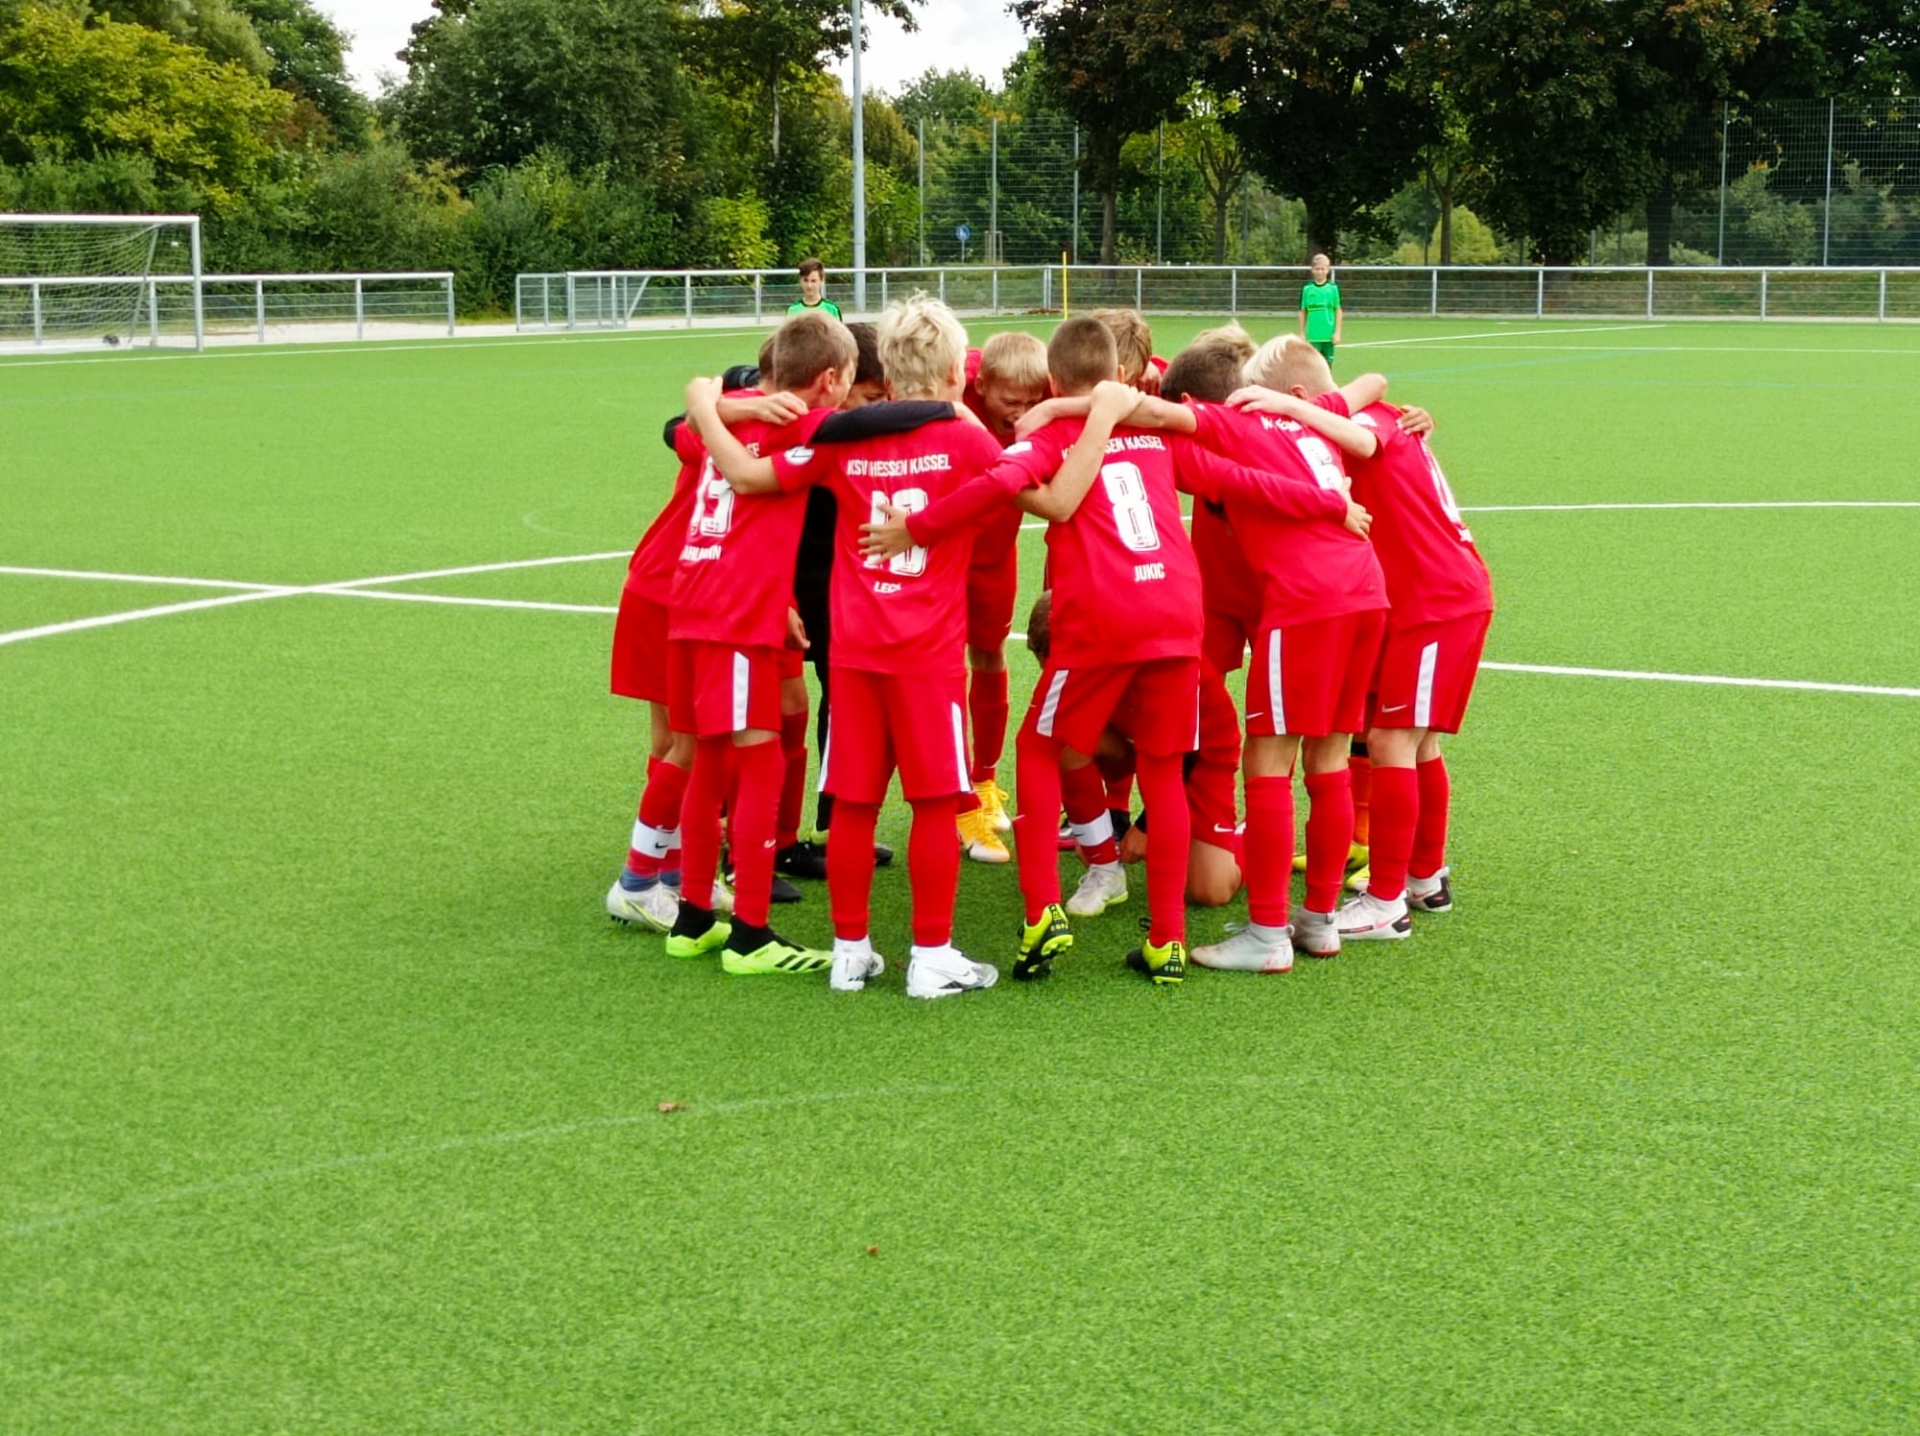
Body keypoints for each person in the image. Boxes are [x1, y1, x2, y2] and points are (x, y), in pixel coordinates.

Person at [690, 294, 1008, 999]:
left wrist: (704, 408)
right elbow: (1022, 484)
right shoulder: (966, 440)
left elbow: (749, 476)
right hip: (927, 655)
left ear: (885, 373)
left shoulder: (842, 437)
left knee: (855, 805)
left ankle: (850, 951)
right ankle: (931, 955)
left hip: (855, 650)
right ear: (955, 371)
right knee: (935, 805)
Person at [1234, 338, 1493, 941]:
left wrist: (1292, 410)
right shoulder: (1374, 413)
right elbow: (1373, 389)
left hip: (1436, 599)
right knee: (1418, 742)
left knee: (1391, 740)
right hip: (1431, 597)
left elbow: (1368, 438)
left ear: (1300, 396)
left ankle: (1385, 902)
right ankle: (1425, 877)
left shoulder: (1359, 424)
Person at [668, 311, 855, 975]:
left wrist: (708, 402)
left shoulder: (736, 405)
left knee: (712, 761)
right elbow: (749, 476)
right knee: (759, 762)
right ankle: (750, 933)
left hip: (692, 601)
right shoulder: (805, 425)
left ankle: (693, 918)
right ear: (829, 380)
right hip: (735, 612)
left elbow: (690, 417)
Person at [955, 330, 1049, 865]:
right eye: (1011, 401)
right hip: (940, 555)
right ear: (982, 384)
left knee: (989, 655)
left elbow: (1113, 369)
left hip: (995, 555)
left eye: (1033, 402)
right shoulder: (963, 377)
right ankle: (955, 795)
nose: (1022, 413)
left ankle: (985, 780)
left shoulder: (1044, 388)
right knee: (944, 669)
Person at [1299, 254, 1343, 367]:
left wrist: (1337, 332)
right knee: (1313, 366)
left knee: (1327, 366)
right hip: (1313, 336)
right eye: (1317, 269)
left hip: (1328, 336)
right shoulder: (1307, 289)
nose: (1319, 272)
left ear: (1327, 270)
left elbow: (1338, 310)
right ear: (1312, 270)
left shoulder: (1332, 289)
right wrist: (1302, 333)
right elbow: (1303, 311)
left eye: (1322, 269)